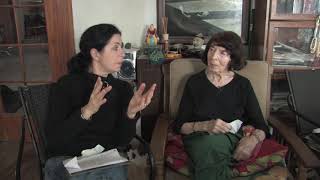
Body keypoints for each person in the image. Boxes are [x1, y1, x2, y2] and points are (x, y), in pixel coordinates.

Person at [44, 24, 156, 180]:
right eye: (115, 48)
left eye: (122, 47)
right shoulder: (66, 85)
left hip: (105, 162)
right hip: (67, 160)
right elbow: (55, 141)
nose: (122, 53)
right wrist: (86, 112)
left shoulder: (123, 88)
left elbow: (121, 141)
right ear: (95, 54)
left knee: (114, 171)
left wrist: (130, 114)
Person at [173, 31, 269, 180]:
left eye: (223, 52)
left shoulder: (243, 85)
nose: (214, 56)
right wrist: (204, 126)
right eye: (212, 49)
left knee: (213, 153)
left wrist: (252, 141)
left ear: (233, 58)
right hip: (200, 138)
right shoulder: (194, 83)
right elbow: (179, 125)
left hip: (233, 138)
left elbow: (261, 125)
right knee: (209, 146)